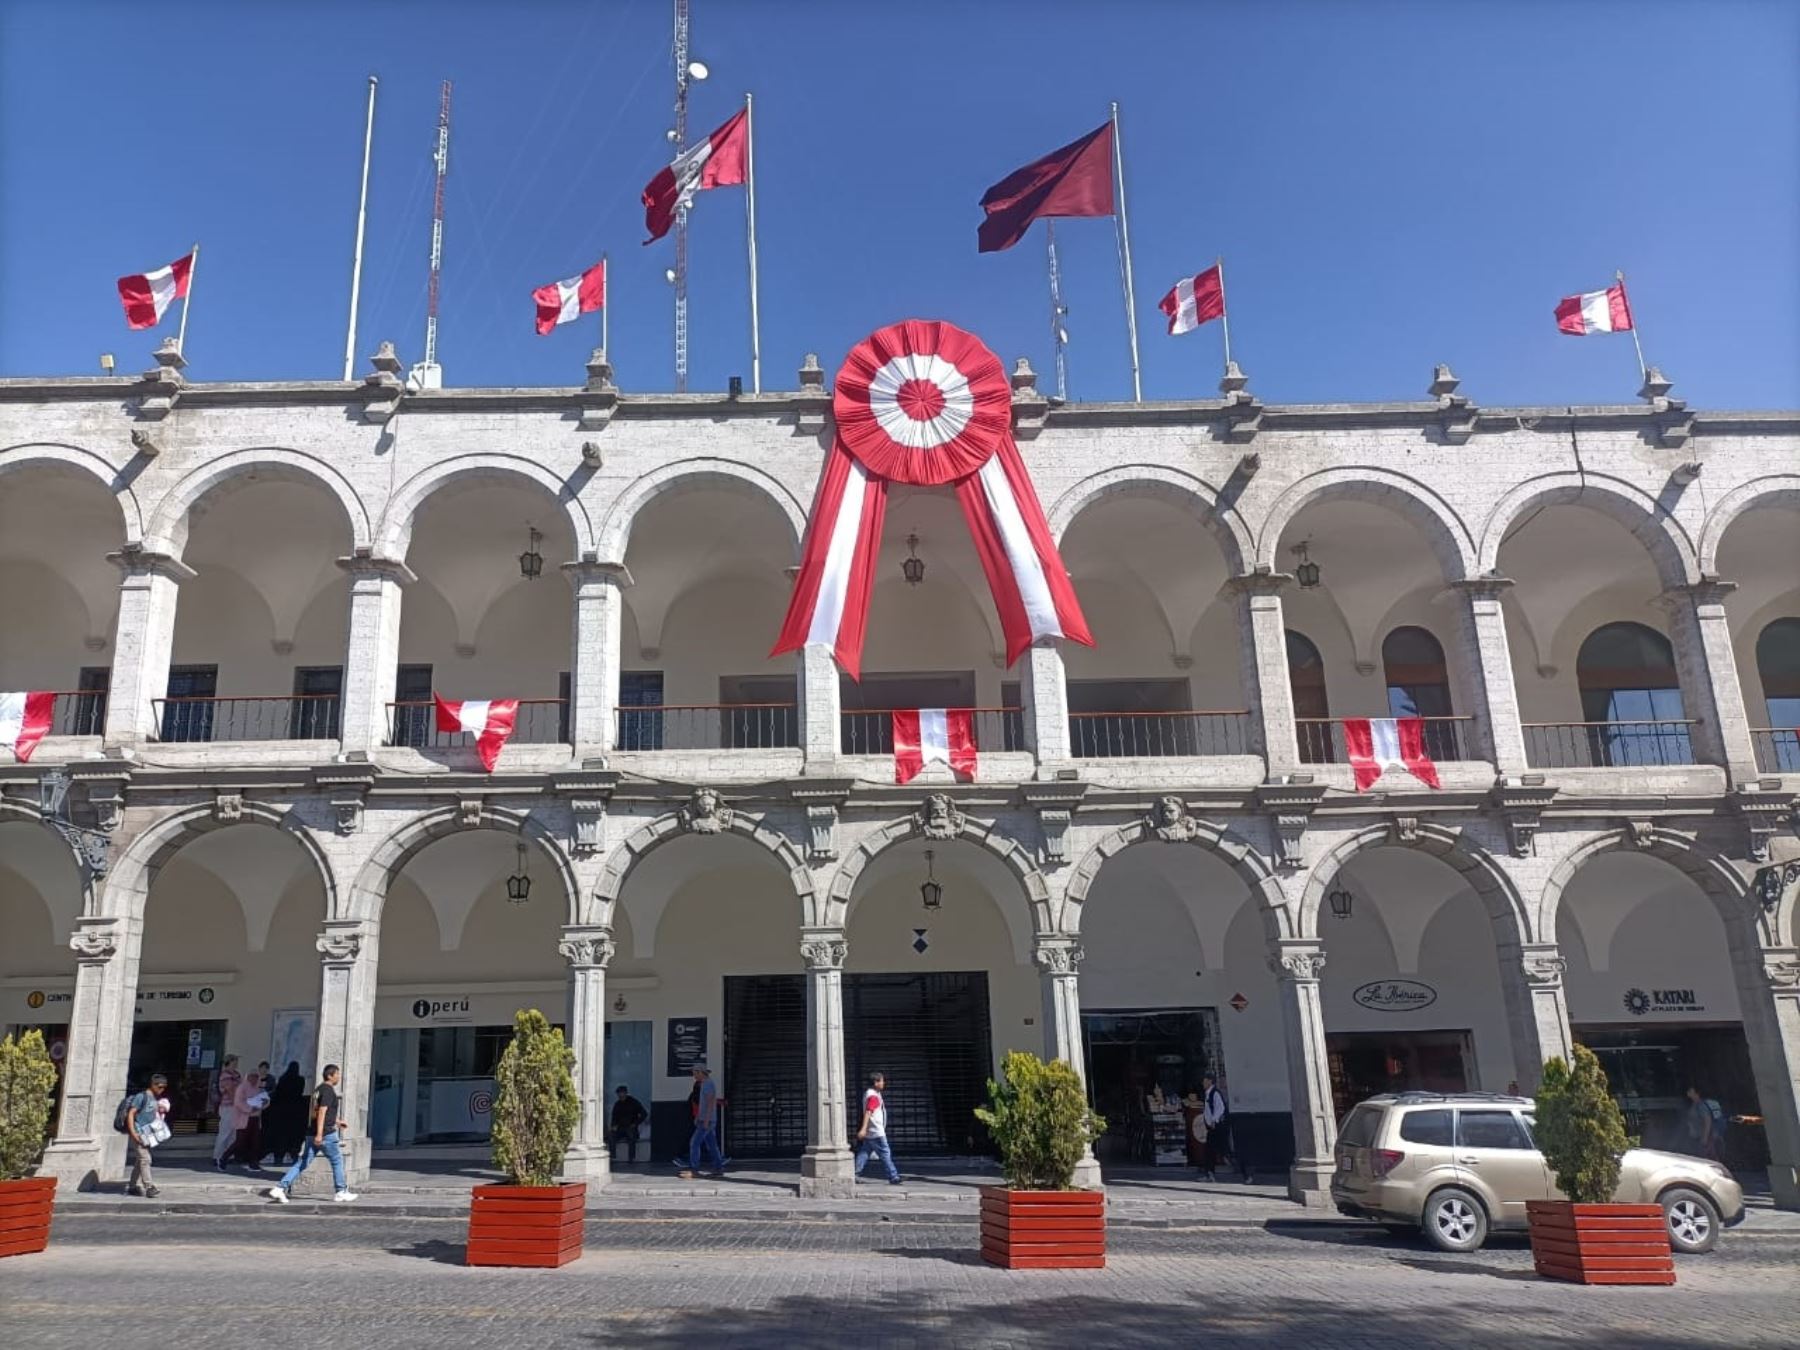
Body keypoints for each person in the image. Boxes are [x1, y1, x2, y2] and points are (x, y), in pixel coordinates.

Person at [266, 1064, 356, 1203]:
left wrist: (337, 1122)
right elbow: (322, 1112)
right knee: (337, 1161)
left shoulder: (318, 1090)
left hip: (311, 1132)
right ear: (330, 1076)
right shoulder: (328, 1091)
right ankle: (341, 1191)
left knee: (302, 1163)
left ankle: (280, 1187)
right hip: (325, 1133)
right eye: (337, 1074)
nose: (339, 1077)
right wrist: (320, 1134)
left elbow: (318, 1111)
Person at [678, 1062, 726, 1179]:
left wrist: (705, 1120)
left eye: (694, 1073)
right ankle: (718, 1168)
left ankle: (694, 1170)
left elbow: (710, 1103)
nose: (693, 1075)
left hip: (707, 1120)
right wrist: (698, 1117)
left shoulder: (708, 1084)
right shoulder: (704, 1084)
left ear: (700, 1072)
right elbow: (703, 1104)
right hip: (705, 1119)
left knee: (694, 1143)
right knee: (712, 1145)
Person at [854, 1071, 901, 1185]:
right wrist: (863, 1128)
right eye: (882, 1080)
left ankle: (854, 1173)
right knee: (885, 1153)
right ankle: (893, 1176)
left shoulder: (870, 1093)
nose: (884, 1083)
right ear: (876, 1082)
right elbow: (868, 1112)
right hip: (876, 1131)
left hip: (872, 1130)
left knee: (864, 1153)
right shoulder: (873, 1096)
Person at [125, 1072, 167, 1198]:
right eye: (160, 1087)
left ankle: (132, 1186)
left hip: (148, 1134)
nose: (162, 1090)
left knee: (140, 1161)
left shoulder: (154, 1098)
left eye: (164, 1087)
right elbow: (131, 1114)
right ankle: (149, 1186)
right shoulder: (141, 1097)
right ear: (152, 1085)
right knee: (145, 1159)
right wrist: (133, 1132)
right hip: (139, 1133)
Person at [1200, 1074, 1248, 1183]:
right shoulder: (1208, 1094)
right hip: (1212, 1128)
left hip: (1217, 1128)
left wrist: (1214, 1120)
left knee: (1226, 1152)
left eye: (1204, 1081)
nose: (1203, 1083)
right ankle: (1209, 1174)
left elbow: (1220, 1108)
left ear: (1210, 1082)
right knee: (1209, 1151)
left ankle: (1246, 1173)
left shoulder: (1215, 1093)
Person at [262, 1062, 306, 1165]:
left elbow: (278, 1092)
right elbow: (300, 1092)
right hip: (295, 1110)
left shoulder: (283, 1079)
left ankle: (278, 1157)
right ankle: (292, 1155)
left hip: (281, 1110)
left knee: (281, 1135)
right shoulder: (300, 1080)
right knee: (293, 1135)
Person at [227, 1070, 267, 1170]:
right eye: (251, 1076)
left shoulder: (259, 1089)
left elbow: (266, 1101)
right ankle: (224, 1157)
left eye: (255, 1077)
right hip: (244, 1118)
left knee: (255, 1142)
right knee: (240, 1141)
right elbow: (238, 1102)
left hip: (255, 1118)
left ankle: (253, 1162)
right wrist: (249, 1108)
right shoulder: (242, 1088)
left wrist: (264, 1103)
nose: (253, 1079)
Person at [212, 1054, 242, 1170]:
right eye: (234, 1061)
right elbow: (230, 1090)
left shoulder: (237, 1074)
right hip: (228, 1106)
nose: (236, 1064)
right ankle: (217, 1156)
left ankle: (227, 1156)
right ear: (229, 1062)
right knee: (225, 1131)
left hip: (237, 1107)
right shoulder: (225, 1075)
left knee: (233, 1133)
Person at [1685, 1086, 1725, 1161]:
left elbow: (1707, 1121)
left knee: (1706, 1158)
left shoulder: (1701, 1105)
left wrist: (1705, 1138)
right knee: (1709, 1157)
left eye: (1691, 1091)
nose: (1688, 1092)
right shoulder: (1695, 1104)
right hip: (1702, 1136)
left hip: (1705, 1137)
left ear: (1697, 1093)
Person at [609, 1085, 647, 1163]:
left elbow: (644, 1113)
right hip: (620, 1128)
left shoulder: (633, 1102)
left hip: (631, 1127)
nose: (620, 1095)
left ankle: (631, 1158)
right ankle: (612, 1156)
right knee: (611, 1136)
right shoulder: (617, 1104)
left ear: (625, 1093)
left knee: (631, 1136)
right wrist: (613, 1126)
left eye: (621, 1093)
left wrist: (635, 1123)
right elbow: (614, 1117)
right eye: (619, 1094)